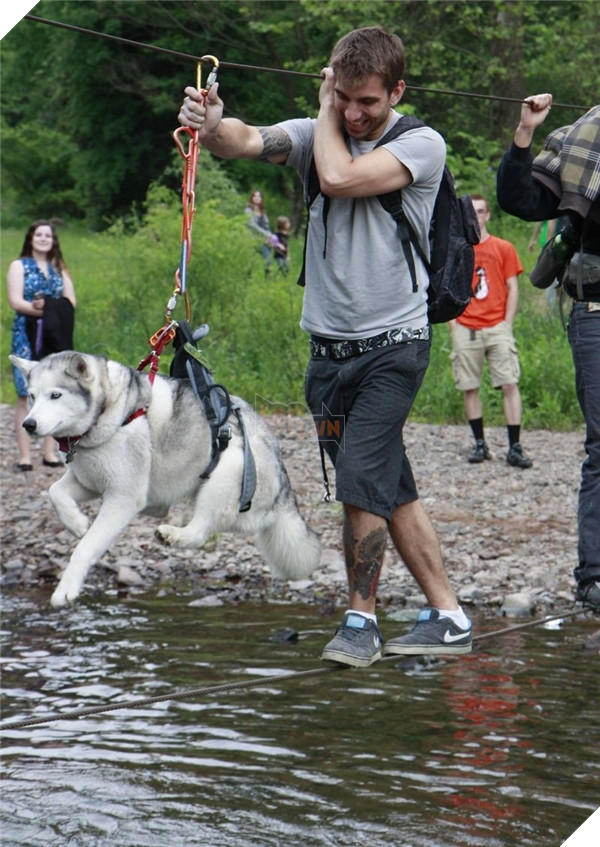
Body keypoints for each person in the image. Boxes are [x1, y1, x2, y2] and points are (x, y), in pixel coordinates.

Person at [179, 26, 473, 665]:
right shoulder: (323, 130)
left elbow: (337, 178)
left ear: (396, 90)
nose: (353, 112)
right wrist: (213, 124)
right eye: (344, 98)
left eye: (367, 100)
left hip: (395, 344)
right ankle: (448, 614)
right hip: (329, 351)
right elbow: (250, 142)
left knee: (359, 481)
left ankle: (361, 621)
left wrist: (321, 105)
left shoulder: (422, 143)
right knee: (391, 487)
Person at [497, 93, 600, 611]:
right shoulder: (585, 139)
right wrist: (524, 133)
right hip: (595, 314)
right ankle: (594, 576)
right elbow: (517, 200)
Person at [449, 194, 532, 469]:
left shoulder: (503, 248)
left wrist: (507, 324)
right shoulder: (457, 249)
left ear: (488, 215)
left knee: (509, 383)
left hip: (496, 324)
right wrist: (453, 324)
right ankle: (479, 443)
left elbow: (513, 286)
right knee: (469, 386)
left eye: (481, 211)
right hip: (466, 325)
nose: (477, 217)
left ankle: (515, 446)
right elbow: (447, 288)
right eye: (471, 212)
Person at [7, 220, 76, 471]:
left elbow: (70, 301)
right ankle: (25, 456)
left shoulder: (60, 269)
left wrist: (48, 307)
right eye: (39, 234)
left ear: (53, 240)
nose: (44, 238)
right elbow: (16, 301)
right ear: (31, 238)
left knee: (52, 392)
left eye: (48, 235)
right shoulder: (19, 266)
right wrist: (42, 309)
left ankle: (50, 453)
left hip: (54, 335)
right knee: (25, 394)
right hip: (26, 333)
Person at [245, 188, 273, 266]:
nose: (257, 198)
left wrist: (270, 235)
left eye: (259, 196)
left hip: (263, 240)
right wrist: (266, 233)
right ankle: (248, 278)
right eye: (255, 196)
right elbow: (252, 225)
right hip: (253, 239)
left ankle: (269, 278)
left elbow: (266, 225)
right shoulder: (248, 210)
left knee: (268, 261)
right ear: (252, 198)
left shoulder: (262, 211)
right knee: (250, 264)